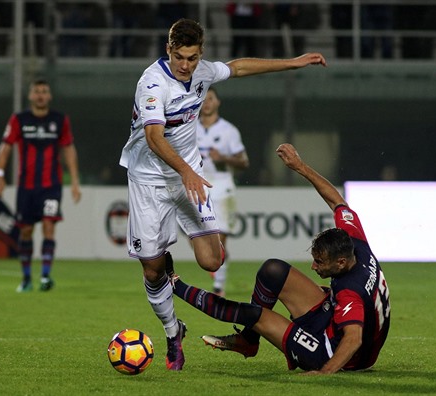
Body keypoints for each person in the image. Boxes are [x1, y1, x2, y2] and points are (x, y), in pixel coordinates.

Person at [118, 18, 326, 371]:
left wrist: (293, 62)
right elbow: (154, 138)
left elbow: (238, 67)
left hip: (190, 177)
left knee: (212, 261)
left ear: (201, 54)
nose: (186, 65)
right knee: (152, 271)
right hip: (150, 181)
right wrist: (185, 171)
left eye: (193, 58)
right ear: (168, 50)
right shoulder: (152, 84)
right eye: (180, 57)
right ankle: (173, 332)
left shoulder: (201, 73)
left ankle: (179, 267)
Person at [168, 143, 391, 374]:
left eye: (320, 262)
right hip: (333, 321)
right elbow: (337, 202)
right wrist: (300, 166)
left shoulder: (349, 293)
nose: (313, 266)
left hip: (335, 354)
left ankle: (175, 285)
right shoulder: (357, 244)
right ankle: (248, 340)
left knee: (254, 315)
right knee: (273, 271)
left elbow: (353, 340)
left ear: (341, 262)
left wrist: (324, 372)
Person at [0, 78, 82, 293]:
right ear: (30, 95)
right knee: (26, 231)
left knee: (49, 227)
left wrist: (75, 181)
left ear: (49, 96)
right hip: (27, 187)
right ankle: (25, 279)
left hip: (51, 186)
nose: (41, 95)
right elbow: (5, 147)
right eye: (37, 91)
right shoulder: (19, 119)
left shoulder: (59, 120)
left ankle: (44, 276)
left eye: (44, 91)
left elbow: (68, 149)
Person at [196, 86, 249, 297]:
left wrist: (224, 158)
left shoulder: (229, 131)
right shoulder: (190, 128)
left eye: (211, 99)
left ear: (218, 102)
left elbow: (244, 162)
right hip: (198, 187)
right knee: (198, 236)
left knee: (220, 239)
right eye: (204, 99)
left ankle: (219, 287)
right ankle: (215, 269)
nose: (207, 103)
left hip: (222, 187)